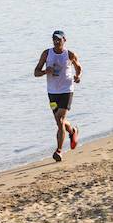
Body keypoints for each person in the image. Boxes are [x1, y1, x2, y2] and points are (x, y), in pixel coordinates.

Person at [34, 30, 81, 162]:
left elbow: (79, 68)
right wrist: (44, 72)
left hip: (67, 90)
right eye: (54, 39)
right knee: (58, 120)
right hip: (52, 92)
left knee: (59, 120)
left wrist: (78, 77)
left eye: (59, 39)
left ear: (64, 40)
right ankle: (72, 131)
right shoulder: (47, 54)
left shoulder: (69, 54)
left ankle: (59, 151)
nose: (56, 41)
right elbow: (36, 72)